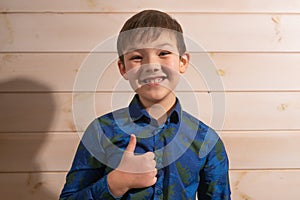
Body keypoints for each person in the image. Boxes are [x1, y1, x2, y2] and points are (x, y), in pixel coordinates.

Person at [60, 10, 231, 200]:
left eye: (163, 53)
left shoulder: (206, 140)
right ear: (123, 68)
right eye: (137, 57)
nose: (151, 65)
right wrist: (117, 182)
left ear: (182, 62)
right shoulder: (101, 131)